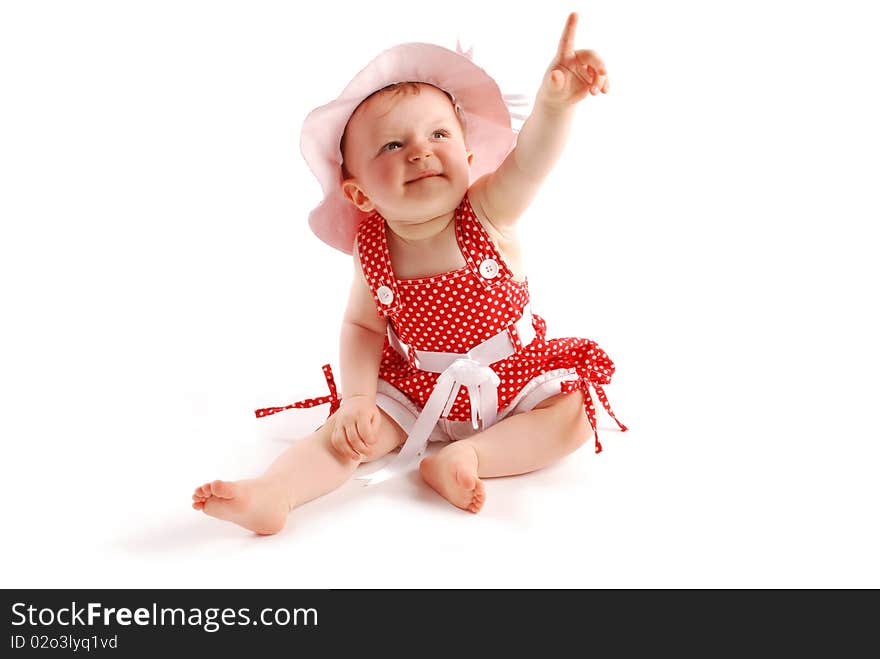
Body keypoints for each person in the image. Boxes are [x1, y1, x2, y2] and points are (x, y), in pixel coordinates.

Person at [192, 12, 626, 535]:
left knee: (576, 410)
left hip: (514, 376)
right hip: (419, 388)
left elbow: (531, 162)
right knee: (346, 434)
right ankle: (274, 493)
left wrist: (554, 106)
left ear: (468, 158)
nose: (420, 150)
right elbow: (362, 328)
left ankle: (466, 458)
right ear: (359, 194)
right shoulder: (371, 248)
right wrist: (356, 400)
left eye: (438, 133)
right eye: (393, 146)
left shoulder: (487, 210)